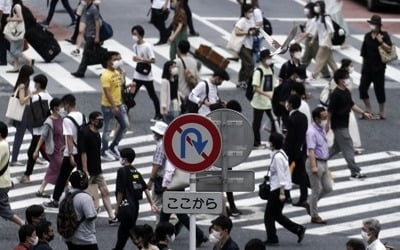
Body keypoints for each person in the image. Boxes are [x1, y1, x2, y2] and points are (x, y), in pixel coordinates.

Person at [327, 69, 373, 179]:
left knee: (336, 148)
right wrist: (327, 124)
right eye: (345, 78)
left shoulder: (346, 91)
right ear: (339, 80)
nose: (347, 79)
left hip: (344, 124)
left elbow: (352, 104)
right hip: (339, 125)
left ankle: (317, 161)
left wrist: (363, 112)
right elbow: (330, 111)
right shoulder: (336, 94)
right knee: (348, 147)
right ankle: (355, 171)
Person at [264, 132, 306, 245]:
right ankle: (298, 229)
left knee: (268, 216)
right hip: (279, 188)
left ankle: (272, 238)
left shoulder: (278, 157)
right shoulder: (280, 153)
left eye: (270, 141)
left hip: (278, 189)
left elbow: (281, 175)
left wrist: (282, 192)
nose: (268, 143)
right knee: (276, 215)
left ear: (273, 143)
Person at [43, 94, 85, 208]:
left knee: (62, 176)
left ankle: (55, 200)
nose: (62, 108)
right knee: (83, 174)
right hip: (82, 151)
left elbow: (69, 138)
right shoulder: (81, 115)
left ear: (66, 104)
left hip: (71, 153)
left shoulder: (67, 119)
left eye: (62, 105)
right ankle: (86, 199)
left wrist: (70, 154)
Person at [113, 148, 158, 250]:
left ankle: (148, 246)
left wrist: (116, 207)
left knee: (131, 233)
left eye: (121, 157)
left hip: (126, 207)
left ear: (125, 159)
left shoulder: (121, 171)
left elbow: (120, 191)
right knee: (125, 231)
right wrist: (152, 204)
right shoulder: (136, 172)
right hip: (134, 208)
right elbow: (145, 188)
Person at [79, 111, 117, 224]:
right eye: (98, 120)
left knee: (105, 191)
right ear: (92, 120)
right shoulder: (84, 133)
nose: (101, 122)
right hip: (88, 170)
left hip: (97, 169)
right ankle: (87, 217)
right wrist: (85, 170)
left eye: (101, 120)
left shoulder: (96, 133)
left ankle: (111, 216)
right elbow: (83, 153)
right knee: (91, 196)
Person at [359, 15, 393, 120]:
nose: (372, 26)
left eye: (374, 24)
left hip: (379, 68)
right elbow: (364, 53)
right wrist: (362, 67)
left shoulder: (384, 35)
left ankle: (382, 112)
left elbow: (389, 49)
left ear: (379, 25)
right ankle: (369, 109)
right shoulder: (367, 36)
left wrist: (381, 42)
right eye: (371, 24)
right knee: (362, 89)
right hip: (367, 68)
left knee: (379, 90)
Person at [20, 74, 52, 184]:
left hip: (39, 130)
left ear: (38, 84)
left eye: (35, 83)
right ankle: (27, 175)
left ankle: (62, 168)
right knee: (32, 151)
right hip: (45, 128)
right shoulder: (48, 96)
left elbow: (23, 103)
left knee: (46, 154)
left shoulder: (35, 98)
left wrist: (27, 93)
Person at [305, 107, 333, 224]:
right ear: (316, 118)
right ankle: (314, 215)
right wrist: (314, 166)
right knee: (316, 190)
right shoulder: (311, 132)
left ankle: (310, 203)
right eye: (324, 118)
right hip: (315, 162)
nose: (326, 120)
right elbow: (311, 150)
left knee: (328, 188)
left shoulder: (320, 128)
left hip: (324, 162)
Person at [100, 51, 129, 161]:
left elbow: (120, 87)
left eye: (117, 60)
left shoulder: (117, 72)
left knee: (125, 125)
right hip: (109, 106)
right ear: (108, 61)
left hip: (119, 104)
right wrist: (113, 106)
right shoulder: (105, 75)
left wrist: (123, 75)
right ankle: (104, 151)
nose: (117, 62)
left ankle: (113, 146)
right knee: (108, 129)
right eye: (114, 60)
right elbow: (107, 92)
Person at [33, 98, 65, 197]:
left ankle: (41, 189)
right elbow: (42, 137)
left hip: (62, 149)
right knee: (63, 169)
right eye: (61, 106)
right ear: (55, 108)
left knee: (52, 169)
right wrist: (36, 151)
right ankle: (66, 188)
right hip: (54, 150)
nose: (62, 108)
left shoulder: (62, 118)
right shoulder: (49, 122)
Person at [131, 25, 162, 122]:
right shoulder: (134, 46)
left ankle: (158, 114)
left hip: (147, 77)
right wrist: (136, 59)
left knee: (152, 95)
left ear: (140, 35)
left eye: (135, 34)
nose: (133, 36)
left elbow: (153, 60)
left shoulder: (147, 46)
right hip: (137, 76)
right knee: (130, 94)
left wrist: (141, 59)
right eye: (132, 34)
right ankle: (124, 113)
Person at [62, 170, 98, 250]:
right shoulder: (85, 197)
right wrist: (96, 210)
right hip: (85, 238)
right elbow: (91, 216)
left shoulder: (64, 196)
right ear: (82, 182)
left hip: (69, 236)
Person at [284, 94, 309, 207]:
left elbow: (290, 137)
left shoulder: (291, 119)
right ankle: (303, 197)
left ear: (290, 104)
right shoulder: (303, 117)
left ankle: (287, 196)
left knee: (287, 173)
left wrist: (285, 150)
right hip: (301, 149)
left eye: (287, 102)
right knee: (302, 174)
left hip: (291, 151)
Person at [0, 121, 25, 226]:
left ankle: (24, 225)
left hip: (1, 184)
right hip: (3, 181)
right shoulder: (4, 144)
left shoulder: (2, 145)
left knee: (4, 209)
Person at [250, 49, 277, 148]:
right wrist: (267, 95)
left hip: (269, 102)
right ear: (262, 59)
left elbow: (273, 84)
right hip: (259, 101)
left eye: (270, 57)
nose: (270, 60)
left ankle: (273, 141)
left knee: (274, 121)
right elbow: (255, 88)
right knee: (257, 123)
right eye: (268, 58)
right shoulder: (259, 71)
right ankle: (255, 143)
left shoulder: (271, 69)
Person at [297, 2, 330, 79]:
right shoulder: (312, 19)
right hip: (312, 40)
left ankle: (302, 73)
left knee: (307, 58)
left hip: (313, 41)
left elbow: (310, 32)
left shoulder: (314, 20)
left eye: (307, 12)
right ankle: (326, 73)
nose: (306, 14)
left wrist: (298, 40)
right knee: (314, 57)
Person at [9, 65, 34, 167]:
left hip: (27, 112)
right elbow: (22, 100)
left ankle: (34, 155)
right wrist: (30, 95)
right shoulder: (22, 85)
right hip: (23, 113)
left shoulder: (24, 83)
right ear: (26, 75)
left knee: (36, 134)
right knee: (19, 136)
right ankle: (14, 160)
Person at [71, 0, 100, 78]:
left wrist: (97, 36)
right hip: (88, 35)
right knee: (91, 54)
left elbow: (97, 23)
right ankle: (81, 71)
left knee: (85, 54)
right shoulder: (85, 8)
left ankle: (80, 71)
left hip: (92, 35)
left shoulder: (93, 9)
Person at [147, 121, 169, 219]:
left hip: (161, 178)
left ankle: (159, 229)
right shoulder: (170, 143)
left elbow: (157, 164)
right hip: (169, 178)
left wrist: (151, 180)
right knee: (168, 205)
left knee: (157, 205)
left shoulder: (161, 145)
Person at [311, 1, 337, 79]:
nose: (316, 8)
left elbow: (331, 30)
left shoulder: (326, 17)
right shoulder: (319, 17)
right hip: (322, 42)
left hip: (325, 43)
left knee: (319, 58)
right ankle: (339, 74)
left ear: (321, 7)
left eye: (318, 6)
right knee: (331, 61)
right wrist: (313, 39)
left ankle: (314, 75)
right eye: (316, 6)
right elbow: (317, 30)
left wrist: (328, 42)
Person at [5, 0, 33, 73]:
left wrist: (10, 19)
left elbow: (20, 18)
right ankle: (16, 67)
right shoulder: (18, 5)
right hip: (19, 31)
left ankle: (29, 60)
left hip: (17, 31)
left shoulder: (17, 6)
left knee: (14, 50)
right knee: (16, 48)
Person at [235, 4, 256, 88]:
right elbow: (236, 31)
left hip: (250, 45)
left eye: (252, 11)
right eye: (249, 11)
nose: (251, 13)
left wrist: (254, 31)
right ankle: (247, 81)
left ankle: (241, 81)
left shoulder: (251, 20)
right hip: (242, 45)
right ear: (245, 12)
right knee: (250, 64)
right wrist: (247, 33)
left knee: (244, 64)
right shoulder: (242, 21)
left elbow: (253, 29)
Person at [175, 40, 199, 105]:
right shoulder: (193, 61)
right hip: (192, 93)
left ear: (178, 49)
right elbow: (197, 77)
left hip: (181, 92)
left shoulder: (176, 62)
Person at [0, 0, 11, 65]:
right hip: (6, 15)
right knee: (2, 38)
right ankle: (14, 51)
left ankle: (3, 59)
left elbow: (0, 9)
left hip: (2, 16)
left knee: (1, 39)